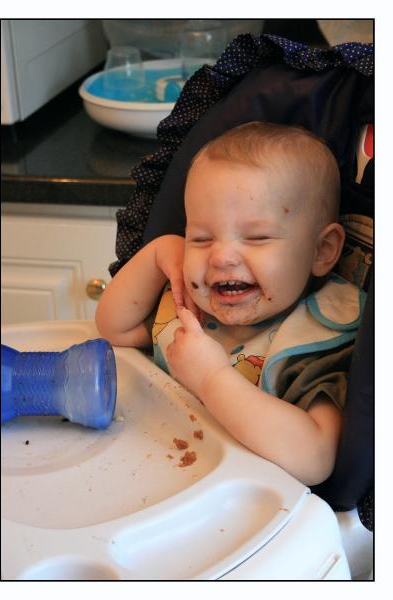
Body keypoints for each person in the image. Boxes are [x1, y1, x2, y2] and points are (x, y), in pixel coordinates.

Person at [96, 122, 365, 486]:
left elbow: (316, 457)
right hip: (153, 477)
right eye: (201, 238)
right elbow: (114, 328)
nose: (221, 257)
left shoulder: (313, 343)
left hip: (249, 508)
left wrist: (212, 378)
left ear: (322, 251)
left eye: (257, 237)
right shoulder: (191, 307)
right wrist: (158, 252)